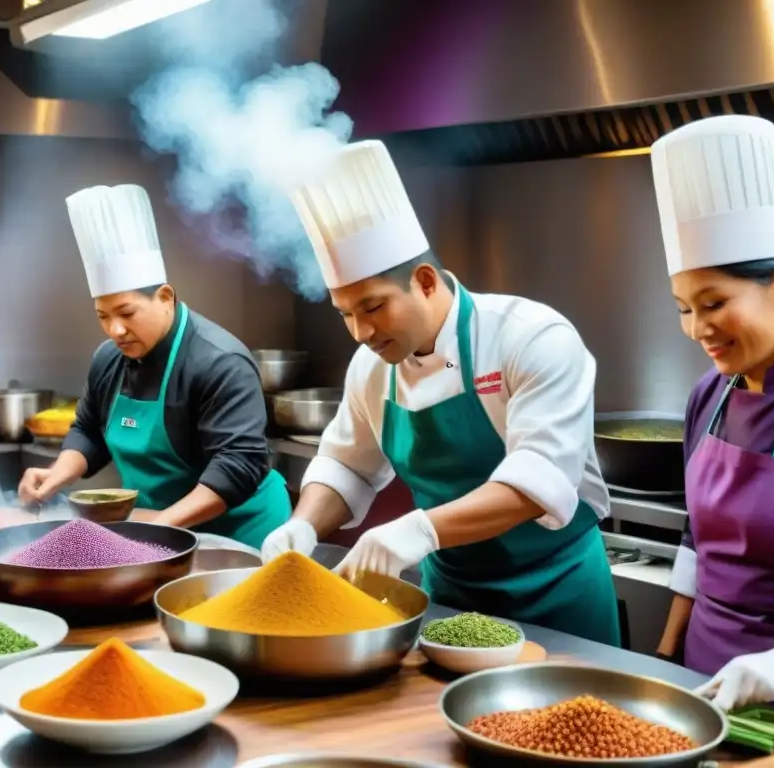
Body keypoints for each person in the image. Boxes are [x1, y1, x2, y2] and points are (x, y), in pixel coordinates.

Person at [261, 140, 620, 646]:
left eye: (373, 307)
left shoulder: (531, 337)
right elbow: (347, 466)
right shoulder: (371, 367)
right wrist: (302, 526)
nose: (360, 331)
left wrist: (417, 531)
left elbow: (537, 480)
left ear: (425, 282)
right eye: (345, 313)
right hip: (449, 601)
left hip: (557, 598)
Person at [651, 115, 774, 714]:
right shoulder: (710, 392)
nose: (697, 329)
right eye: (683, 308)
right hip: (705, 693)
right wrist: (667, 653)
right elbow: (696, 540)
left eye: (714, 304)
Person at [17, 184, 291, 550]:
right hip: (161, 530)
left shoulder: (219, 362)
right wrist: (58, 475)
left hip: (239, 535)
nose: (115, 330)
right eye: (103, 316)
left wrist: (158, 527)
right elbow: (89, 429)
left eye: (127, 313)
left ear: (164, 298)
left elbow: (237, 466)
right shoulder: (108, 358)